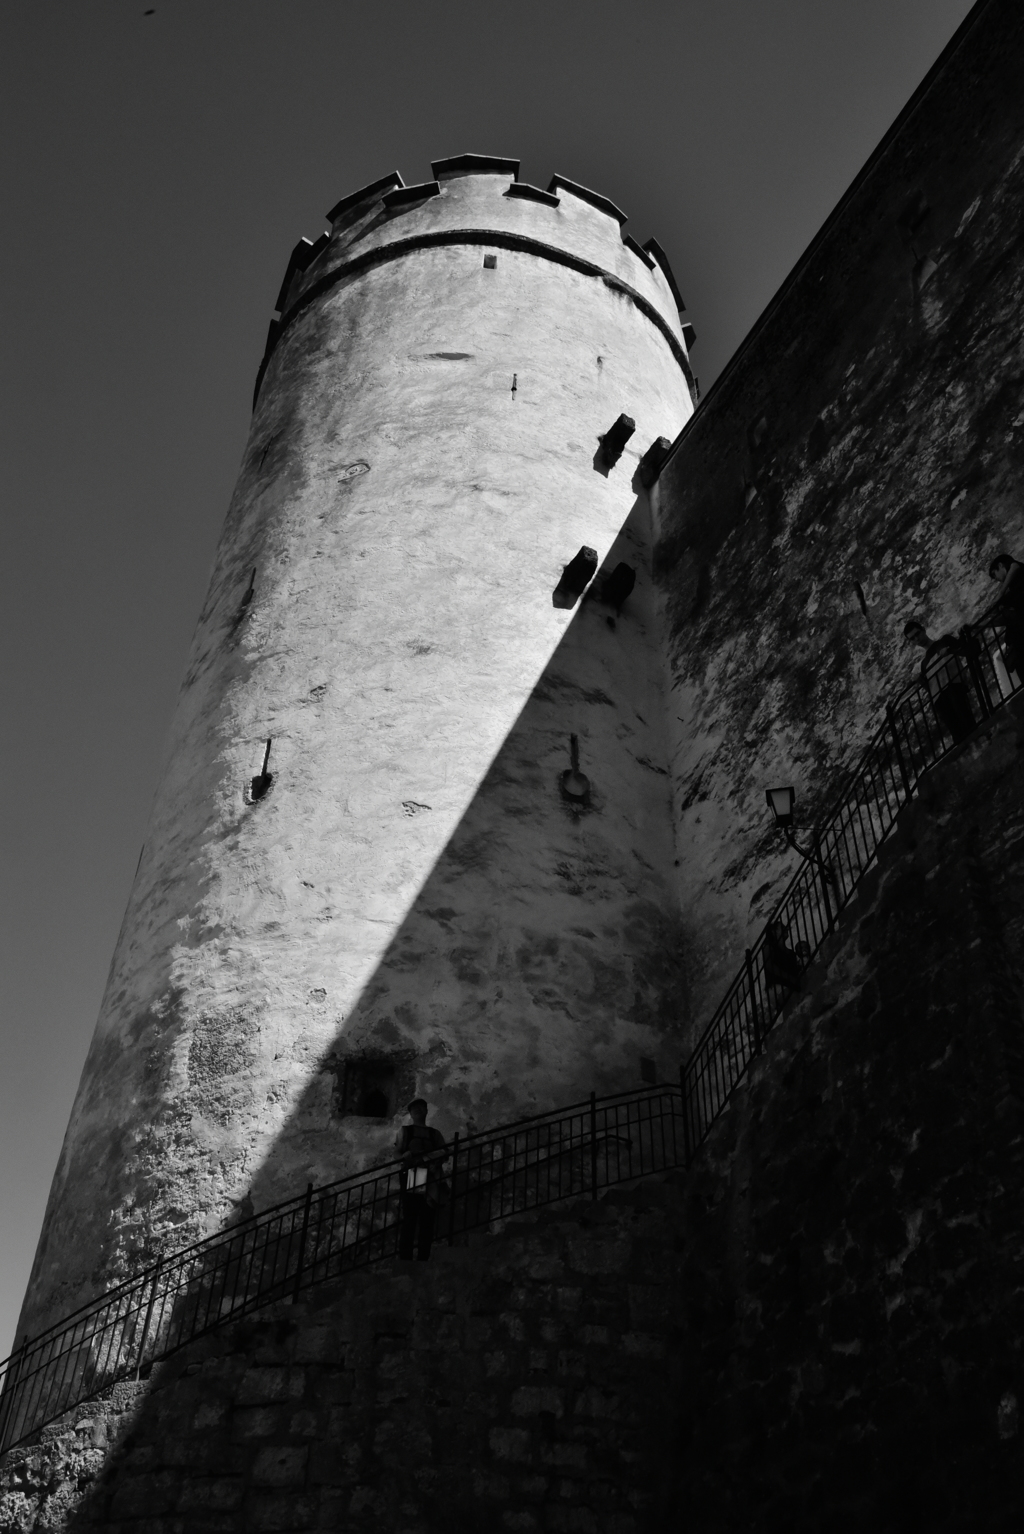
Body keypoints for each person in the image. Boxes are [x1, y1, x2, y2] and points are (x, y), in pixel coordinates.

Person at [903, 619, 976, 743]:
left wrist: (950, 650)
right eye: (912, 638)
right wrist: (920, 681)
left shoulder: (944, 641)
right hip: (939, 700)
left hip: (954, 687)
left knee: (966, 721)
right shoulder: (924, 664)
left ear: (923, 630)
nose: (917, 639)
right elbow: (930, 687)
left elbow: (966, 651)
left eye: (917, 634)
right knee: (957, 733)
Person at [395, 1099, 449, 1260]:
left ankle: (423, 1256)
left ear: (426, 1110)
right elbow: (397, 1153)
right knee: (411, 1215)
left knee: (427, 1216)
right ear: (410, 1114)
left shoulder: (435, 1134)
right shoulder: (405, 1131)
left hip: (430, 1175)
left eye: (420, 1108)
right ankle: (406, 1257)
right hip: (414, 1173)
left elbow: (444, 1153)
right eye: (414, 1109)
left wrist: (435, 1161)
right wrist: (404, 1157)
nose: (417, 1110)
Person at [980, 552, 1024, 684]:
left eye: (995, 575)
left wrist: (999, 597)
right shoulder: (1015, 584)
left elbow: (1014, 566)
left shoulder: (1016, 567)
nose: (997, 580)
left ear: (1000, 565)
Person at [763, 920, 803, 993]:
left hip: (790, 985)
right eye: (782, 927)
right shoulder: (768, 947)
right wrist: (789, 978)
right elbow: (769, 966)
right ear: (773, 931)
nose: (786, 929)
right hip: (777, 986)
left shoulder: (791, 953)